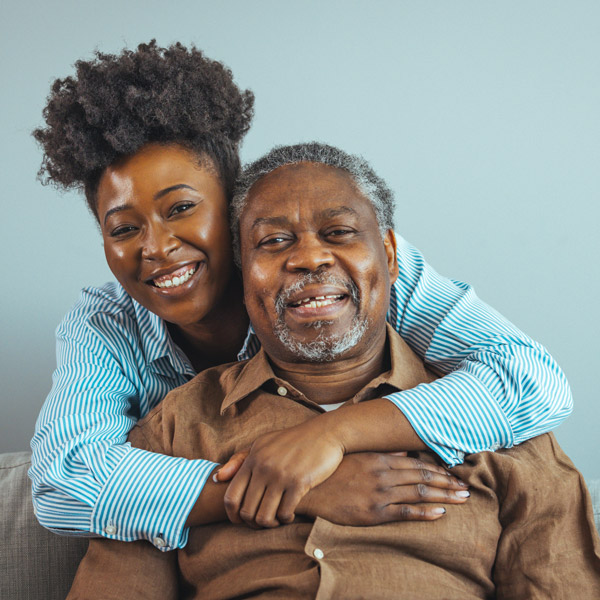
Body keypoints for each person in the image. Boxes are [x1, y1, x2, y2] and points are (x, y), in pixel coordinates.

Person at [31, 41, 572, 550]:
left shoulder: (350, 268)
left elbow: (532, 380)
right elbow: (62, 483)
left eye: (181, 209)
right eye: (124, 229)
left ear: (239, 209)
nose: (157, 247)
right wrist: (304, 487)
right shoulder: (104, 326)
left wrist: (333, 436)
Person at [67, 143, 600, 599]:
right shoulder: (172, 433)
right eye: (274, 242)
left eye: (340, 232)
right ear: (241, 271)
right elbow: (66, 483)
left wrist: (333, 435)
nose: (309, 258)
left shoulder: (508, 430)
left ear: (390, 256)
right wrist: (282, 490)